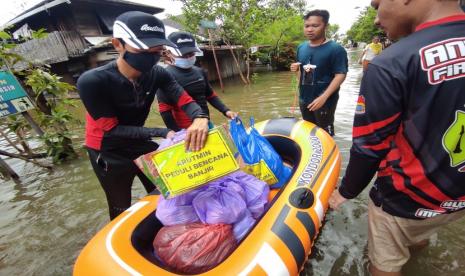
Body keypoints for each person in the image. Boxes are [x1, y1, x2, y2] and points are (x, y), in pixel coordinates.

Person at [329, 0, 465, 275]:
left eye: (377, 5)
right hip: (458, 194)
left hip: (407, 198)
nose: (377, 19)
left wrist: (346, 192)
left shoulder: (393, 62)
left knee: (387, 261)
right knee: (421, 231)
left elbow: (369, 146)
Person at [77, 11, 209, 220]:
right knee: (120, 205)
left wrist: (200, 118)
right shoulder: (93, 81)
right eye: (142, 48)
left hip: (138, 139)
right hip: (107, 148)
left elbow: (184, 100)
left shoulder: (159, 73)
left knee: (167, 187)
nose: (151, 55)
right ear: (117, 44)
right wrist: (164, 132)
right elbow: (111, 129)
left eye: (156, 49)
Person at [157, 31, 237, 131]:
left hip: (206, 123)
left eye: (191, 53)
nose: (188, 57)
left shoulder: (199, 71)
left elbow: (210, 96)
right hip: (186, 131)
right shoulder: (165, 76)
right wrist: (176, 134)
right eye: (183, 54)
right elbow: (165, 110)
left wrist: (226, 111)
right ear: (169, 53)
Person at [290, 9, 348, 136]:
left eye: (315, 26)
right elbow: (302, 72)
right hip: (305, 99)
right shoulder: (301, 47)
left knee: (325, 134)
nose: (310, 29)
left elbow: (341, 74)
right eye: (307, 26)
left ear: (325, 26)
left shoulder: (336, 49)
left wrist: (323, 97)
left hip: (325, 101)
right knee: (309, 132)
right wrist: (296, 69)